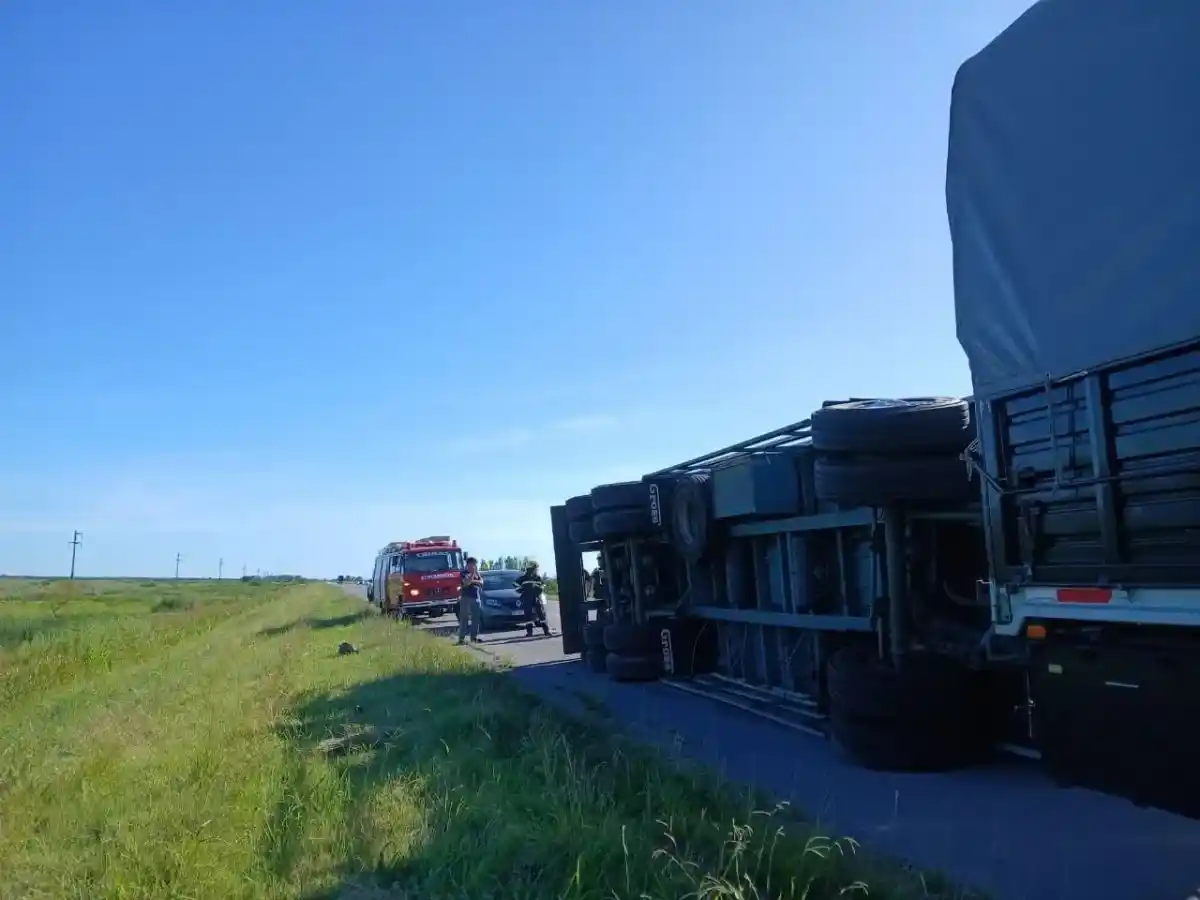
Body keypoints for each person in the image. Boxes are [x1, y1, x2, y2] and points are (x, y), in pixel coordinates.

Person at [514, 560, 550, 637]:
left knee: (541, 614)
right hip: (527, 598)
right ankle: (529, 633)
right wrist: (521, 589)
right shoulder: (523, 578)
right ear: (531, 569)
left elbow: (543, 585)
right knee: (528, 615)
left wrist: (539, 588)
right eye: (535, 569)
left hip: (536, 597)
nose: (536, 570)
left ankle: (546, 631)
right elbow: (515, 584)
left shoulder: (537, 577)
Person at [457, 556, 484, 645]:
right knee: (464, 619)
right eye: (473, 564)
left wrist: (474, 580)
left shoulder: (477, 573)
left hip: (476, 597)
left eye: (475, 564)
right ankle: (461, 639)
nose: (474, 566)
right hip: (466, 598)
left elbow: (481, 582)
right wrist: (472, 575)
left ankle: (474, 638)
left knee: (476, 619)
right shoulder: (463, 573)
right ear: (468, 564)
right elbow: (466, 582)